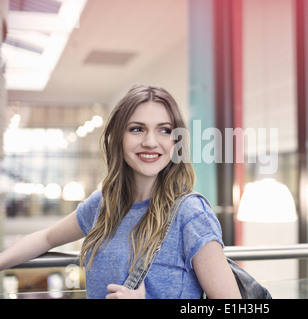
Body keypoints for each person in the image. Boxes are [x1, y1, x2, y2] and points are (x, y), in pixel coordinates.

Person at [0, 85, 241, 299]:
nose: (150, 141)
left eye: (164, 130)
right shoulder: (103, 204)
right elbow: (46, 238)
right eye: (137, 129)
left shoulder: (190, 214)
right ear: (118, 137)